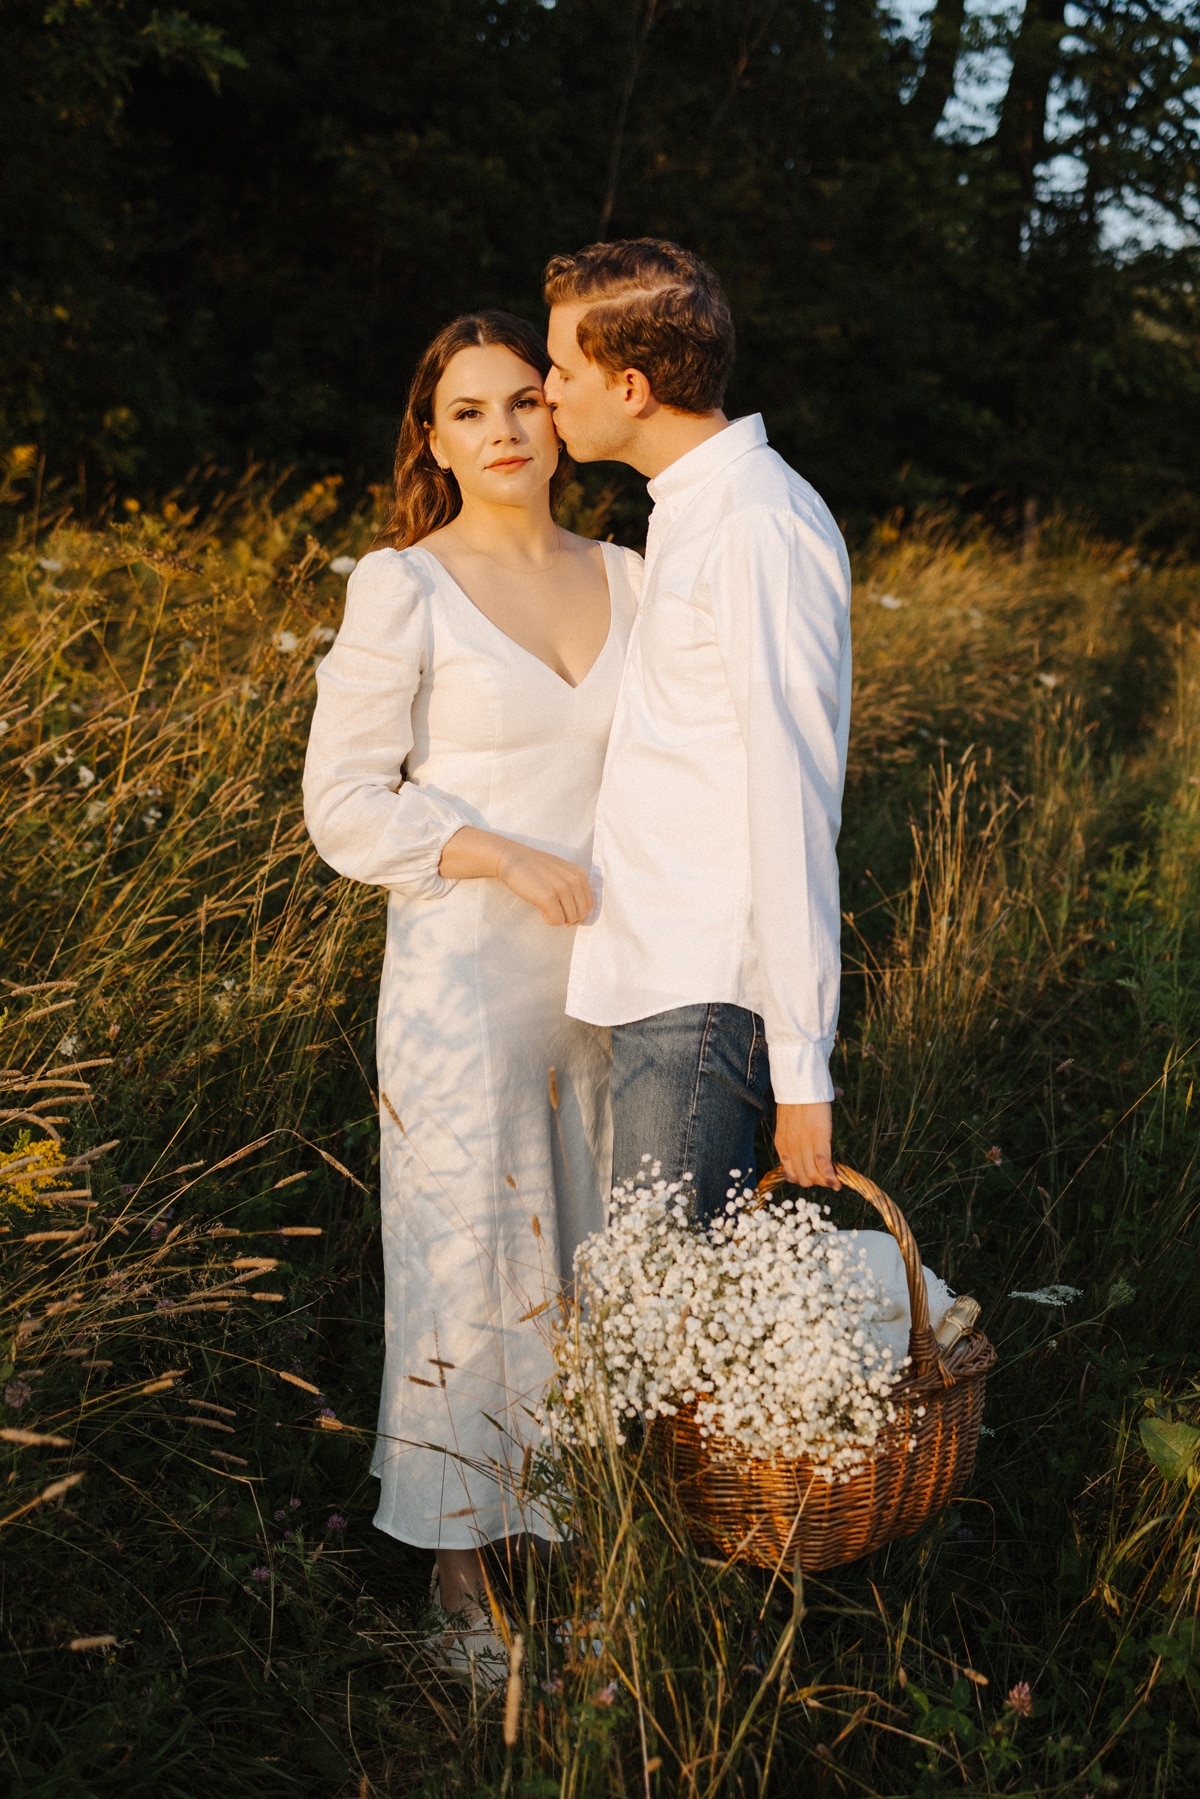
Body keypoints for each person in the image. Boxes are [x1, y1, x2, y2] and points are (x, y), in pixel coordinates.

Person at [302, 310, 642, 1679]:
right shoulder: (405, 585)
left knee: (593, 1251)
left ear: (561, 418)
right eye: (467, 411)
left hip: (617, 977)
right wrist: (496, 849)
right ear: (431, 440)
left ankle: (576, 1545)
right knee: (470, 1258)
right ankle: (460, 1567)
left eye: (521, 402)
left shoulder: (633, 573)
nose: (501, 431)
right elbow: (341, 803)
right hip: (464, 976)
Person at [542, 239, 849, 1218]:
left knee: (666, 1335)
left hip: (702, 996)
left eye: (561, 368)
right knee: (657, 1330)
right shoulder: (689, 510)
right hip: (656, 978)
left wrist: (804, 1065)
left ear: (629, 386)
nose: (546, 391)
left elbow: (788, 793)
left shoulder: (755, 524)